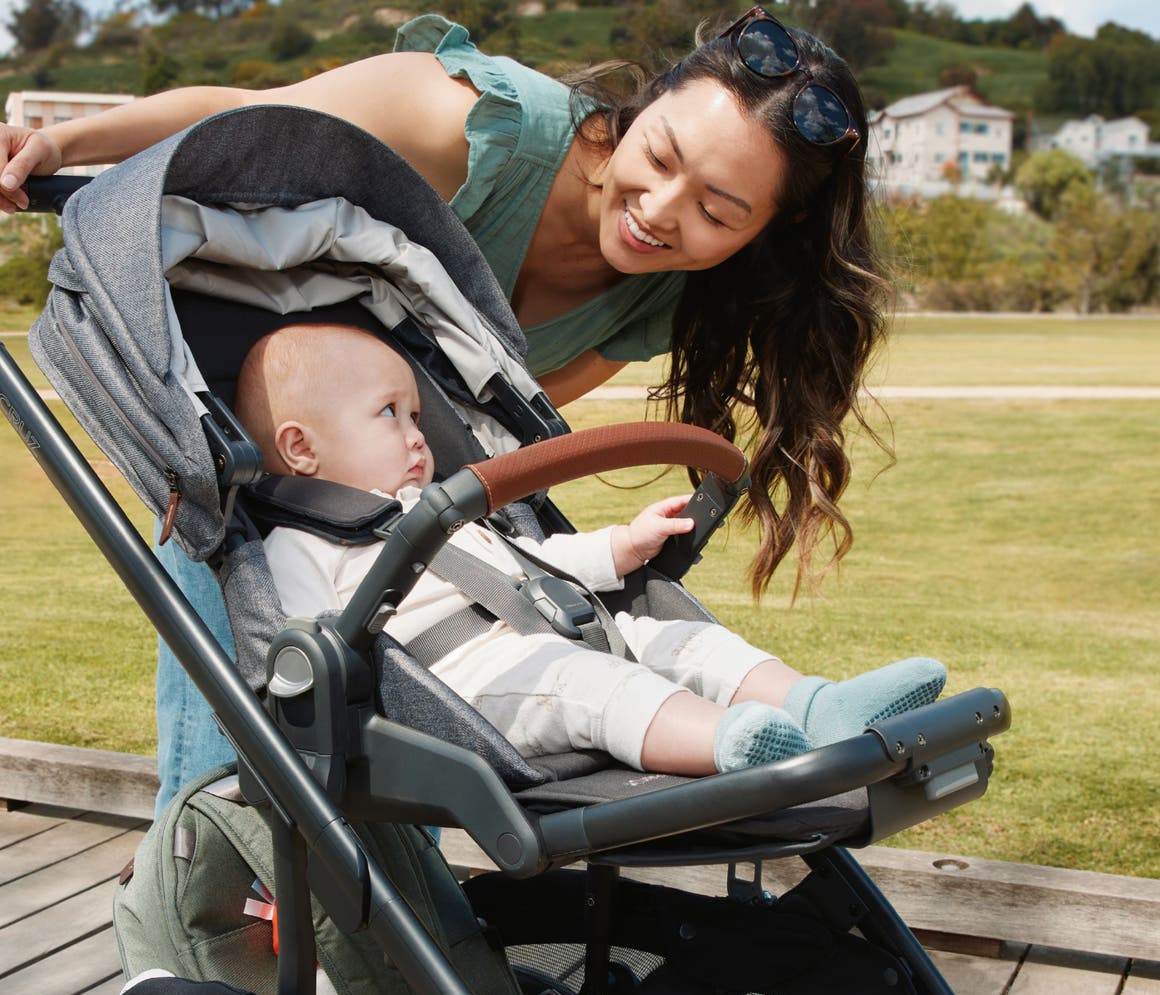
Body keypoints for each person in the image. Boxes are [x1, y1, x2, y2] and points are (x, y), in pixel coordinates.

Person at [0, 10, 888, 797]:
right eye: (657, 156)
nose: (657, 211)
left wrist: (568, 560)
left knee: (444, 701)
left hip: (417, 499)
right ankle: (202, 893)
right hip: (268, 451)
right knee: (246, 639)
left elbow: (496, 430)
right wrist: (60, 147)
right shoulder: (465, 120)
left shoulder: (670, 291)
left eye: (717, 211)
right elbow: (243, 113)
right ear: (645, 103)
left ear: (766, 231)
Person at [237, 323, 941, 775]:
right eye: (390, 414)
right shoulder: (300, 542)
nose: (418, 435)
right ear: (301, 448)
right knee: (602, 688)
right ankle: (733, 742)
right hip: (465, 687)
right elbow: (310, 652)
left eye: (418, 415)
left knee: (681, 643)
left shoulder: (438, 509)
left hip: (557, 631)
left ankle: (820, 708)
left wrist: (623, 545)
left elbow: (536, 566)